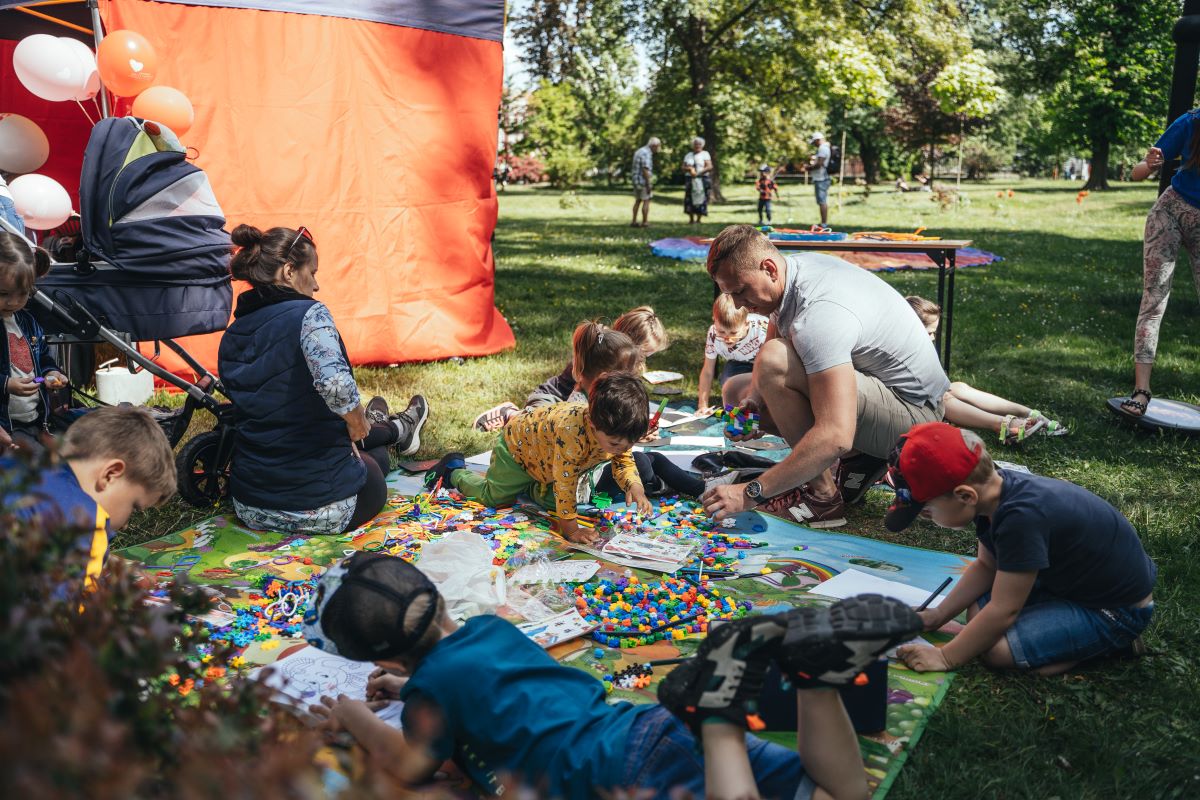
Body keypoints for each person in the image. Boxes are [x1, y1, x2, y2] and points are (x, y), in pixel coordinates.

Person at [302, 551, 922, 798]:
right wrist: (417, 688)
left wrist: (353, 715)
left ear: (381, 660)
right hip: (643, 725)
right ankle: (812, 675)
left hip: (615, 772)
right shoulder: (492, 631)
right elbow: (502, 686)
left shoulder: (430, 697)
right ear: (438, 600)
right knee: (841, 795)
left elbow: (418, 764)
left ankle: (718, 716)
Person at [700, 225, 950, 528]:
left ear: (768, 269)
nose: (738, 304)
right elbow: (774, 335)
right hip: (885, 394)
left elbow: (835, 436)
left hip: (916, 422)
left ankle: (822, 497)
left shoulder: (819, 314)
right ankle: (862, 458)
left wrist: (752, 493)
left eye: (739, 290)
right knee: (738, 388)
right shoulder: (793, 273)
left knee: (774, 362)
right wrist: (753, 402)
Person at [887, 422, 1156, 676]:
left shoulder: (1021, 519)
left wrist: (946, 657)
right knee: (978, 617)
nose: (928, 518)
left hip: (1114, 610)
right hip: (1065, 582)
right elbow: (986, 566)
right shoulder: (994, 494)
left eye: (927, 512)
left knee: (994, 651)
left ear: (965, 496)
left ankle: (1110, 643)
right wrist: (937, 615)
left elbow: (1005, 610)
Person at [218, 224, 430, 535]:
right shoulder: (309, 316)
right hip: (324, 508)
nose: (316, 285)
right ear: (289, 271)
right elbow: (337, 387)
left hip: (252, 506)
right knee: (376, 462)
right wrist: (357, 427)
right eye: (312, 272)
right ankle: (390, 428)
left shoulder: (233, 333)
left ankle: (388, 426)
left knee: (341, 436)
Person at [427, 372, 652, 544]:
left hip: (546, 459)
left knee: (557, 505)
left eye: (629, 444)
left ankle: (531, 486)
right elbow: (565, 483)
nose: (620, 449)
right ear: (593, 424)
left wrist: (634, 485)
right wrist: (572, 530)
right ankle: (453, 470)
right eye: (614, 444)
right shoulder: (572, 434)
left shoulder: (615, 433)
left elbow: (623, 460)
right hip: (518, 449)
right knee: (495, 498)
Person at [4, 405, 176, 590]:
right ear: (110, 475)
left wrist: (105, 565)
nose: (126, 524)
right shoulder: (88, 523)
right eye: (134, 507)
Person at [1121, 111, 1200, 417]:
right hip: (1169, 213)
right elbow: (1137, 172)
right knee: (1154, 300)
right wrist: (1150, 165)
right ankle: (1141, 391)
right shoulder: (1191, 123)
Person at [905, 296, 1066, 442]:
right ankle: (1002, 424)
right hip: (910, 405)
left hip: (923, 395)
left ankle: (1028, 413)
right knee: (944, 398)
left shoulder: (918, 347)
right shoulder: (901, 349)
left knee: (958, 387)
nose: (933, 338)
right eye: (930, 333)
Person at [473, 310, 665, 432]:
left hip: (576, 412)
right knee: (539, 430)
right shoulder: (594, 360)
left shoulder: (626, 365)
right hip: (553, 402)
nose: (644, 359)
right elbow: (580, 411)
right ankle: (510, 414)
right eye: (645, 353)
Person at [1, 231, 68, 456]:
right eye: (3, 294)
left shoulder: (26, 321)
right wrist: (6, 384)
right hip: (6, 425)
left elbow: (42, 359)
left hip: (34, 420)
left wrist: (49, 374)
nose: (14, 302)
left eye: (23, 294)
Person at [697, 293, 769, 413]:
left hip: (764, 363)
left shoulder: (761, 331)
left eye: (733, 333)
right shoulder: (713, 334)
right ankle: (739, 415)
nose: (727, 338)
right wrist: (702, 405)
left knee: (761, 389)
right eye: (722, 331)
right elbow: (708, 371)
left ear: (746, 325)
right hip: (738, 362)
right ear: (714, 321)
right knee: (729, 388)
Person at [631, 137, 661, 228]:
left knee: (638, 200)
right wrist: (648, 184)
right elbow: (645, 169)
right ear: (654, 145)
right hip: (642, 181)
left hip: (636, 180)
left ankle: (634, 221)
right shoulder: (646, 153)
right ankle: (645, 222)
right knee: (646, 200)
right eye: (658, 146)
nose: (658, 149)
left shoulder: (640, 151)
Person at [682, 137, 713, 225]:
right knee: (689, 198)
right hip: (690, 179)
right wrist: (690, 169)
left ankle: (699, 219)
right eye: (695, 144)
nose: (697, 146)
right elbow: (683, 167)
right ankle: (691, 219)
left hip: (702, 179)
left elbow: (709, 166)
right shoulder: (688, 155)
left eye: (699, 144)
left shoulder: (705, 154)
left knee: (701, 198)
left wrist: (698, 172)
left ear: (702, 145)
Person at [805, 132, 832, 227]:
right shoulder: (824, 148)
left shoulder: (823, 148)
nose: (814, 145)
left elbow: (820, 164)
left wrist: (809, 168)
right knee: (821, 201)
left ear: (818, 140)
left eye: (814, 142)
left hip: (821, 178)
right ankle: (823, 223)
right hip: (820, 178)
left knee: (822, 201)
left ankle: (824, 224)